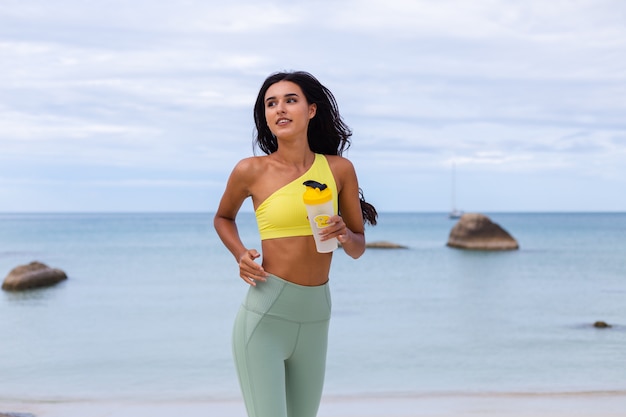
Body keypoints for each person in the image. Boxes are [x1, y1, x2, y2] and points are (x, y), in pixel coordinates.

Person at [214, 71, 377, 417]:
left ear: (311, 110)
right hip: (266, 315)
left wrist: (345, 235)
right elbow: (223, 218)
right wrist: (241, 254)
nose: (280, 109)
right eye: (271, 103)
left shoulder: (339, 170)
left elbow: (359, 247)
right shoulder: (250, 170)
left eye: (290, 100)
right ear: (266, 116)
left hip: (317, 315)